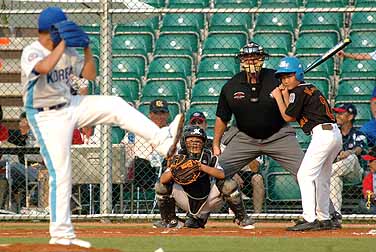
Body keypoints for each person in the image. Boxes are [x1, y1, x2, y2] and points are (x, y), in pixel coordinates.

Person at [20, 7, 184, 248]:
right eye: (58, 30)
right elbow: (44, 69)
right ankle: (61, 234)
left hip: (69, 105)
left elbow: (90, 74)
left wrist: (86, 49)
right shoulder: (32, 52)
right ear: (49, 32)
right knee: (62, 173)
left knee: (115, 104)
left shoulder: (68, 50)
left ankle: (162, 140)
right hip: (45, 116)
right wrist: (63, 46)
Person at [213, 42, 305, 228]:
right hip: (245, 138)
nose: (251, 61)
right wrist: (216, 144)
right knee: (216, 172)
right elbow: (222, 118)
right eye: (247, 58)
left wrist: (285, 91)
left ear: (262, 59)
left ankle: (324, 214)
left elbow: (293, 108)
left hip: (279, 135)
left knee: (306, 172)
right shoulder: (231, 86)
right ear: (241, 60)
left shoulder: (277, 78)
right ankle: (200, 214)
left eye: (255, 57)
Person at [272, 56, 342, 231]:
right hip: (333, 134)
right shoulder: (305, 89)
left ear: (298, 75)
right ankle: (324, 218)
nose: (285, 80)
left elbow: (288, 116)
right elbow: (293, 107)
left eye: (289, 76)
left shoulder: (299, 91)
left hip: (322, 135)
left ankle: (309, 218)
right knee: (322, 177)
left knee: (305, 175)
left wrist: (278, 97)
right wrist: (286, 92)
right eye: (282, 77)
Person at [153, 126, 230, 229]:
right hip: (184, 197)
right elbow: (163, 179)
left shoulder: (208, 155)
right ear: (184, 142)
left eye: (198, 141)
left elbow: (222, 174)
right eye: (191, 140)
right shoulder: (179, 156)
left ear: (203, 143)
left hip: (207, 198)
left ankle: (242, 218)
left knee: (228, 184)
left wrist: (200, 166)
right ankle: (170, 220)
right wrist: (175, 170)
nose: (194, 143)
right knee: (160, 186)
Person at [122, 99, 171, 192]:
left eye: (162, 112)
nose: (159, 116)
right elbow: (124, 149)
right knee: (139, 163)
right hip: (140, 170)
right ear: (150, 115)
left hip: (164, 169)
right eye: (156, 113)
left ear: (167, 114)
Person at [330, 104, 367, 217]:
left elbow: (359, 149)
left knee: (352, 157)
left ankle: (324, 174)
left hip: (355, 172)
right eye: (337, 113)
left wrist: (348, 152)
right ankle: (335, 215)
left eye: (341, 113)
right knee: (334, 178)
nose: (337, 116)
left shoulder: (358, 134)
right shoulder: (333, 134)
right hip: (337, 170)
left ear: (350, 117)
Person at [359, 146, 376, 214]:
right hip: (374, 204)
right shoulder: (369, 177)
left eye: (371, 161)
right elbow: (367, 193)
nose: (368, 164)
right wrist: (370, 195)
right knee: (362, 204)